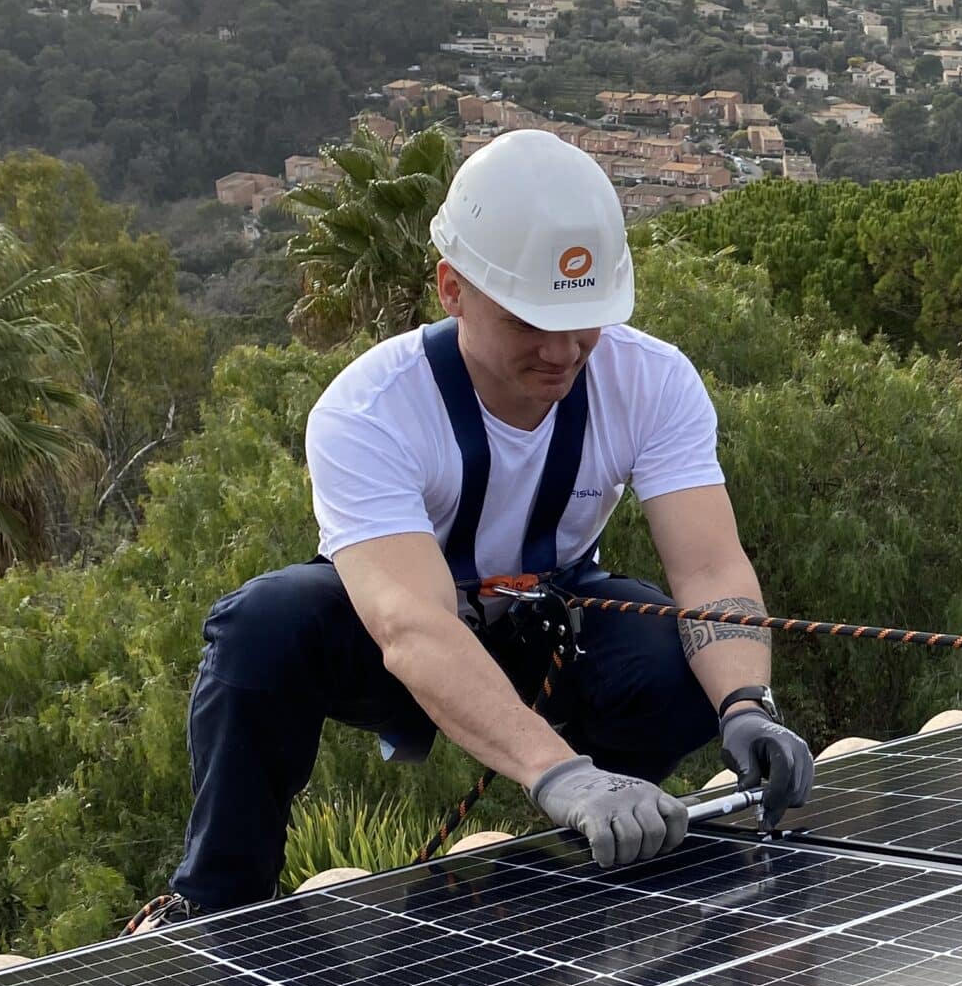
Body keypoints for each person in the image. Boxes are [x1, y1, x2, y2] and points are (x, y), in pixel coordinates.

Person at [130, 129, 815, 929]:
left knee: (678, 663)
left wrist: (745, 705)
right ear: (453, 290)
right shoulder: (371, 410)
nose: (563, 352)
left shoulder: (650, 381)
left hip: (550, 623)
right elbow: (411, 627)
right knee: (264, 628)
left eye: (586, 320)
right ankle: (216, 902)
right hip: (404, 625)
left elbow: (709, 571)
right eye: (531, 321)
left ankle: (582, 871)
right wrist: (557, 773)